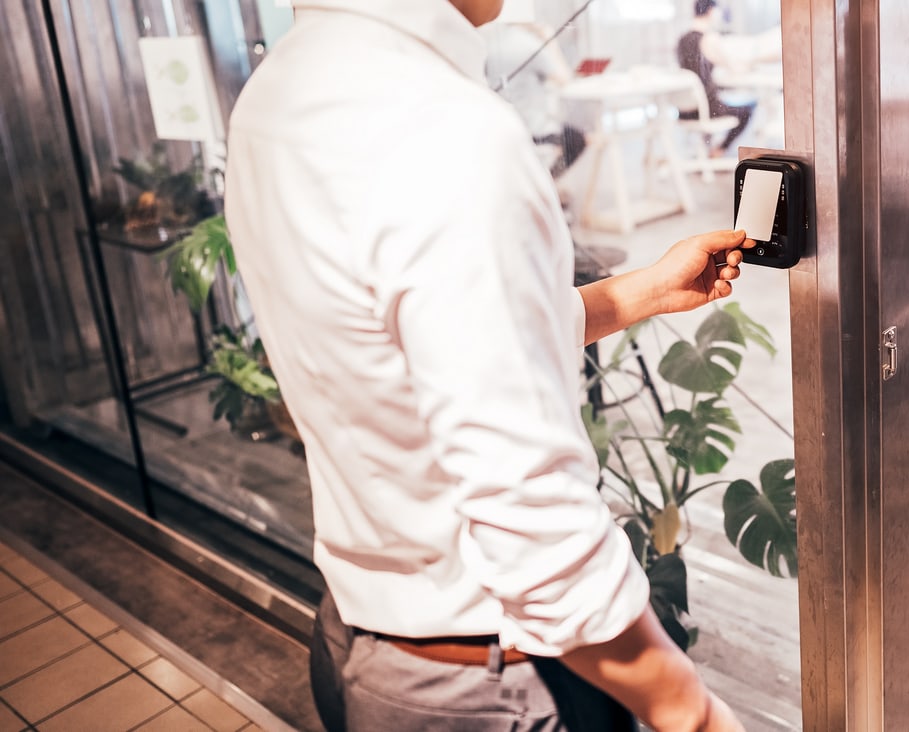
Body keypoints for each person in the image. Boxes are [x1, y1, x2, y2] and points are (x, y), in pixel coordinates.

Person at [222, 0, 751, 729]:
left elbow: (410, 348)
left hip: (363, 640)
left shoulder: (280, 89)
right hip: (486, 683)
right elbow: (531, 518)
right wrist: (689, 710)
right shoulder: (446, 131)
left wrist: (644, 291)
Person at [481, 8, 585, 176]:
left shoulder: (492, 43)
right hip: (536, 131)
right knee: (579, 139)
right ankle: (550, 184)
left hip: (504, 126)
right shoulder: (529, 44)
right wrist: (549, 39)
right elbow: (564, 79)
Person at [676, 0, 755, 156]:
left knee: (721, 99)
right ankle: (719, 150)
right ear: (711, 11)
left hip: (686, 109)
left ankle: (710, 149)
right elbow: (732, 66)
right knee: (749, 107)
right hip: (707, 109)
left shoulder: (682, 40)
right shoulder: (709, 38)